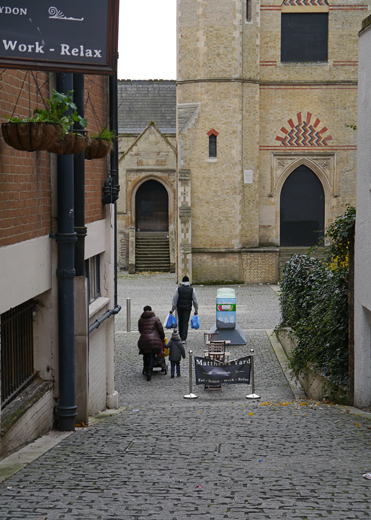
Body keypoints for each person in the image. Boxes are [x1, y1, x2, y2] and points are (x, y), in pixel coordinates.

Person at [138, 305, 165, 381]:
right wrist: (162, 338)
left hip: (143, 340)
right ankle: (150, 370)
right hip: (154, 341)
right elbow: (160, 329)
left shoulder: (141, 320)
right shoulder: (156, 319)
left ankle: (146, 368)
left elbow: (140, 330)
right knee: (152, 355)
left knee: (145, 355)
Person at [170, 275, 198, 344]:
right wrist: (196, 310)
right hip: (188, 308)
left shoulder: (178, 289)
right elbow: (195, 300)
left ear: (182, 281)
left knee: (180, 321)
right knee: (185, 322)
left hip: (180, 307)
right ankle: (184, 338)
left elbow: (175, 300)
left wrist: (172, 309)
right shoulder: (192, 289)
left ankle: (180, 335)